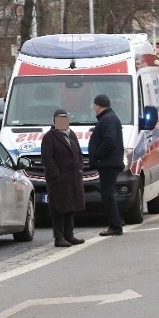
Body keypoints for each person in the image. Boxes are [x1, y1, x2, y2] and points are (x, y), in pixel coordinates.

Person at [41, 109, 85, 247]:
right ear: (54, 121)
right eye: (60, 119)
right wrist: (56, 175)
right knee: (59, 208)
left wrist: (79, 169)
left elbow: (78, 152)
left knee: (71, 207)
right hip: (58, 180)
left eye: (65, 119)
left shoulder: (71, 134)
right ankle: (59, 237)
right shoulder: (49, 137)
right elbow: (47, 158)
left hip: (72, 178)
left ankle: (69, 235)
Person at [88, 94, 124, 236]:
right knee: (109, 194)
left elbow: (109, 141)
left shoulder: (108, 119)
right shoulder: (109, 118)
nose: (93, 108)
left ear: (98, 106)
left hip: (108, 163)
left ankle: (115, 225)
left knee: (107, 194)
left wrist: (97, 155)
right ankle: (117, 221)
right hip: (110, 162)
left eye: (94, 106)